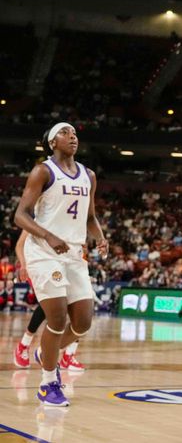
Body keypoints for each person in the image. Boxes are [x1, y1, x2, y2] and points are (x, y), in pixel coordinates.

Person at [14, 123, 107, 407]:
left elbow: (90, 217)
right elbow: (20, 215)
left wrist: (101, 238)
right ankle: (47, 384)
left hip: (73, 253)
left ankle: (48, 352)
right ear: (53, 141)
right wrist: (48, 236)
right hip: (44, 252)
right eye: (66, 133)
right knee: (55, 318)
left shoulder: (88, 175)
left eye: (75, 133)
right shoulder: (43, 171)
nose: (73, 137)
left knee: (84, 321)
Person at [13, 231, 85, 372]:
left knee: (77, 305)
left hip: (64, 264)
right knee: (52, 305)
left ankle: (68, 355)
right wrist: (23, 265)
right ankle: (23, 345)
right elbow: (19, 245)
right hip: (40, 266)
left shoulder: (67, 219)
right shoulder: (36, 219)